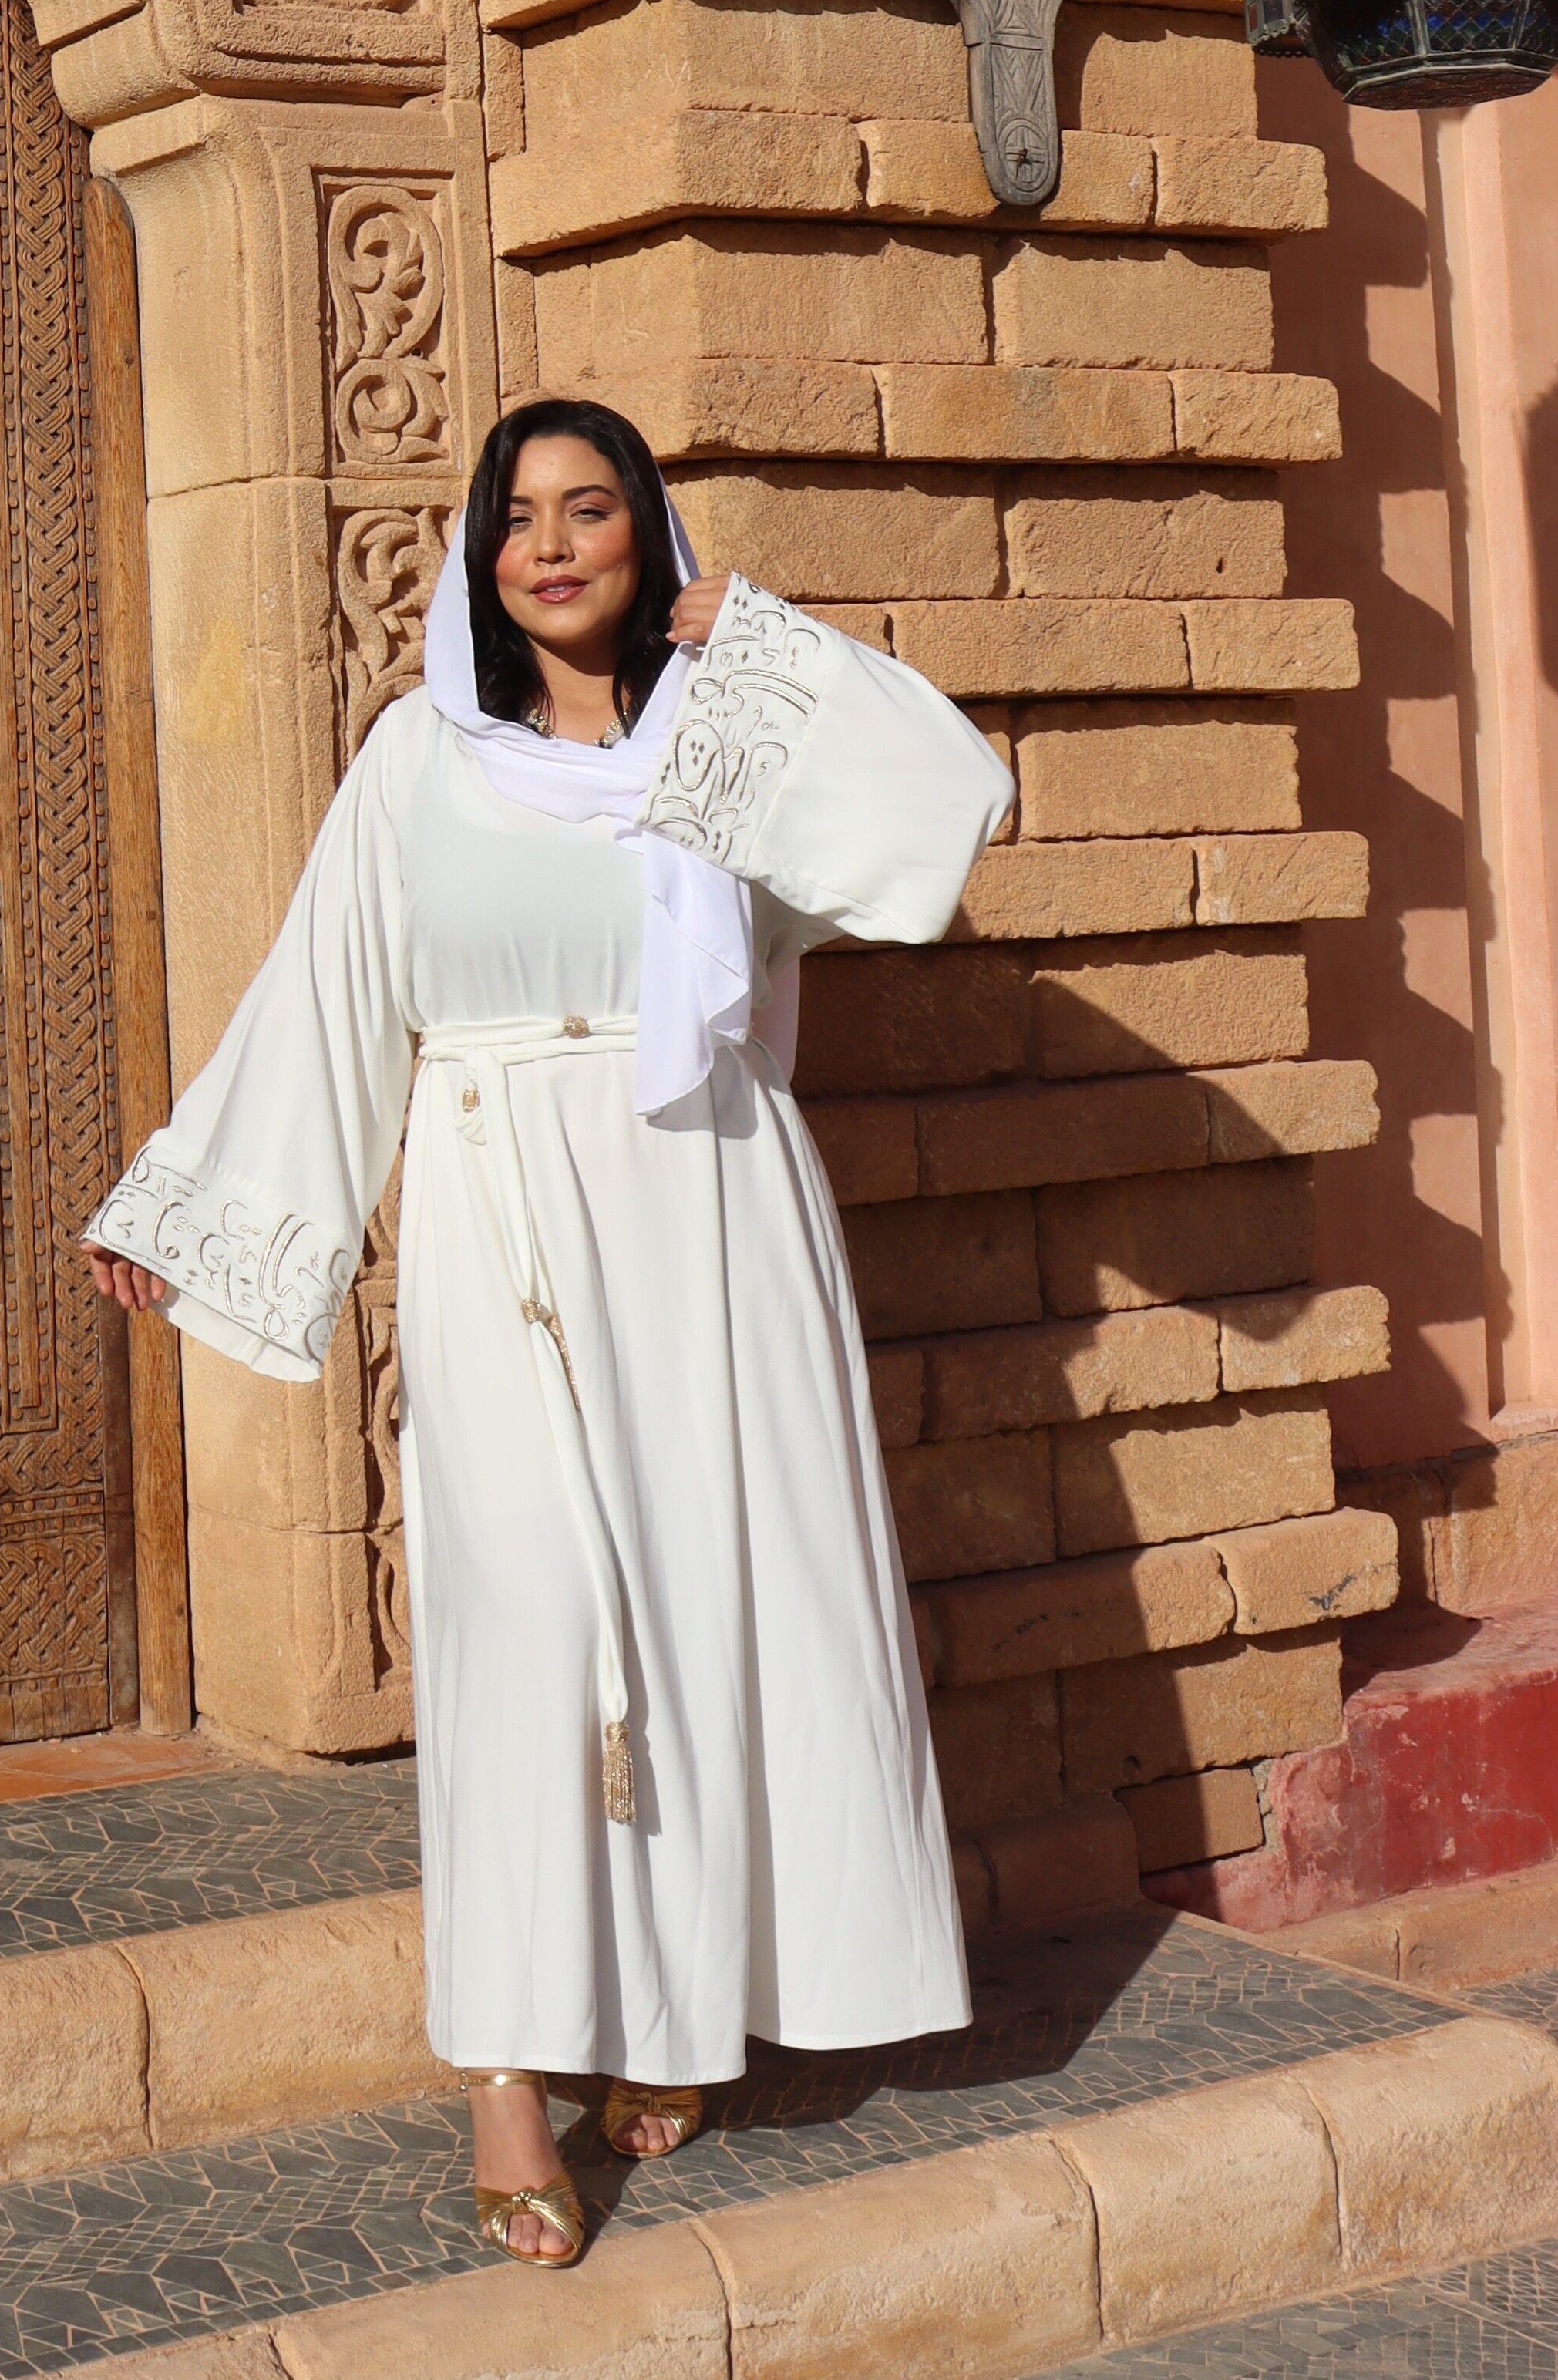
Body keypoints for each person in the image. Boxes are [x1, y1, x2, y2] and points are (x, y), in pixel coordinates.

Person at [83, 399, 1014, 2269]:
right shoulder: (417, 762)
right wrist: (191, 1205)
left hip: (718, 1213)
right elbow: (328, 995)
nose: (554, 543)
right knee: (528, 1625)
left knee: (701, 1613)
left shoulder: (726, 742)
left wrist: (752, 638)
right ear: (479, 560)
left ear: (644, 533)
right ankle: (509, 2068)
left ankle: (664, 2015)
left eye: (593, 510)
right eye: (518, 518)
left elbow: (948, 800)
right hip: (503, 1211)